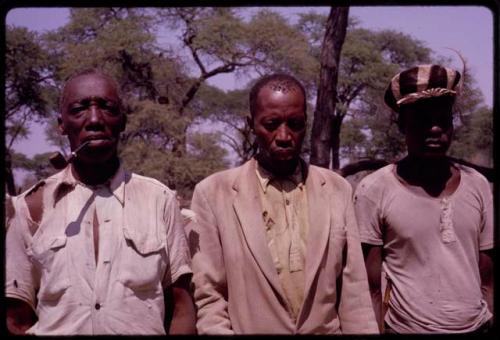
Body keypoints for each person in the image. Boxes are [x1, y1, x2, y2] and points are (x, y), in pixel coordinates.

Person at [5, 69, 196, 335]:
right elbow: (16, 317)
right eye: (80, 109)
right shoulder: (31, 207)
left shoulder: (159, 200)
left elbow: (182, 309)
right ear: (62, 124)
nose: (94, 119)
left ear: (123, 121)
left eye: (107, 108)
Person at [185, 73, 378, 334]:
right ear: (250, 124)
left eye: (295, 124)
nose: (284, 136)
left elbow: (354, 292)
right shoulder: (213, 194)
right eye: (271, 124)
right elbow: (209, 295)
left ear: (306, 124)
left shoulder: (336, 189)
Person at [354, 64, 494, 334]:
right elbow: (370, 288)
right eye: (421, 120)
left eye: (443, 120)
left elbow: (488, 279)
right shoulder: (374, 189)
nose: (434, 129)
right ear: (401, 125)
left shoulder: (478, 185)